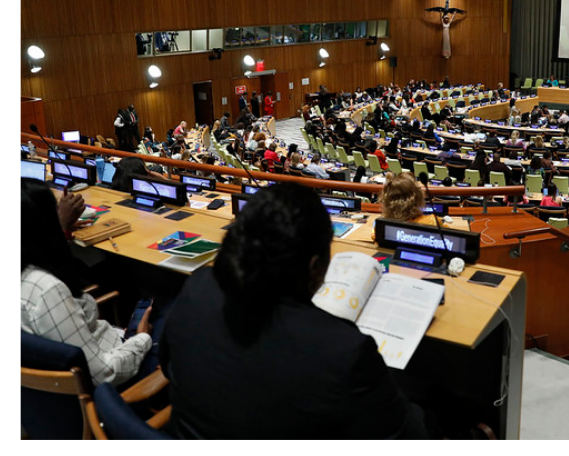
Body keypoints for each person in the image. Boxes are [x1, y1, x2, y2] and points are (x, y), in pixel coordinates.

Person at [160, 183, 433, 438]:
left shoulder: (197, 287)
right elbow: (411, 435)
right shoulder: (344, 350)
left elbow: (168, 365)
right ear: (315, 267)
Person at [21, 179, 155, 387]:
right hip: (115, 372)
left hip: (93, 349)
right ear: (42, 225)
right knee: (163, 302)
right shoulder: (47, 291)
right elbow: (102, 373)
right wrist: (141, 339)